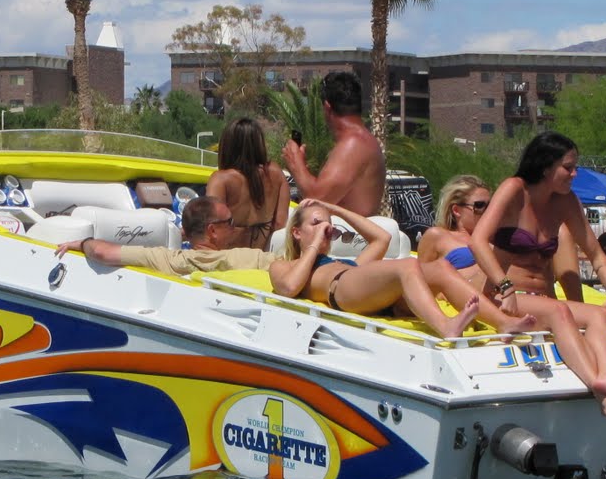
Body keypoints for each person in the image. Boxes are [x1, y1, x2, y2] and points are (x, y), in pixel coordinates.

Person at [470, 132, 606, 418]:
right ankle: (600, 390)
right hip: (503, 296)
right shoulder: (515, 189)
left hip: (542, 299)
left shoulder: (566, 201)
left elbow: (595, 253)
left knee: (597, 315)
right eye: (568, 167)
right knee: (559, 311)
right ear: (547, 166)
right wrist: (506, 286)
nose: (575, 173)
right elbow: (478, 241)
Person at [272, 199, 488, 341]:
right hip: (340, 288)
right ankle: (445, 326)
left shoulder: (346, 265)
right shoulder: (283, 266)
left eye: (328, 227)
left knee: (441, 267)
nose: (325, 230)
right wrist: (316, 241)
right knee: (408, 265)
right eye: (316, 223)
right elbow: (289, 287)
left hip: (357, 286)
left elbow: (382, 238)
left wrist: (334, 209)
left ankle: (503, 322)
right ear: (296, 233)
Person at [56, 195, 275, 276]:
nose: (235, 227)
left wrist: (82, 241)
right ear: (212, 231)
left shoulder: (169, 260)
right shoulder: (252, 259)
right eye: (229, 222)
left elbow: (102, 252)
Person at [280, 71, 386, 217]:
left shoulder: (353, 144)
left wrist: (296, 164)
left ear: (327, 107)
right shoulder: (360, 140)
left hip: (349, 237)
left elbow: (316, 201)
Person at [206, 117, 290, 250]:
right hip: (257, 257)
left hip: (227, 259)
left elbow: (211, 227)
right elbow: (280, 223)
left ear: (227, 146)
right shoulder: (276, 173)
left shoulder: (221, 179)